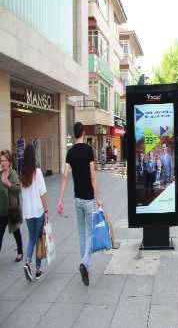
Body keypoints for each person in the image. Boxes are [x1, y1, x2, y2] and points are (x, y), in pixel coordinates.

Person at [57, 122, 102, 286]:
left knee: (82, 234)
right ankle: (84, 263)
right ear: (83, 133)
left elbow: (65, 177)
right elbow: (93, 176)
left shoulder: (70, 153)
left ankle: (86, 267)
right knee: (91, 233)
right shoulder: (88, 150)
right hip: (89, 199)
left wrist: (60, 199)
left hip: (77, 199)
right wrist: (98, 197)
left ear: (74, 134)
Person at [21, 144, 48, 281]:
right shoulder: (37, 172)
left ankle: (27, 262)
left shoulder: (23, 174)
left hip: (27, 213)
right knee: (38, 239)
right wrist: (47, 210)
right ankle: (36, 269)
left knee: (32, 238)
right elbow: (42, 193)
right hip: (38, 212)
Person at [0, 150, 23, 262]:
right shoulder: (0, 174)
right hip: (2, 211)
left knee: (16, 232)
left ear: (9, 162)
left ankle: (20, 251)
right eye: (1, 160)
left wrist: (8, 184)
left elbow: (18, 189)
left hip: (12, 210)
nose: (2, 162)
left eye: (4, 160)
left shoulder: (13, 174)